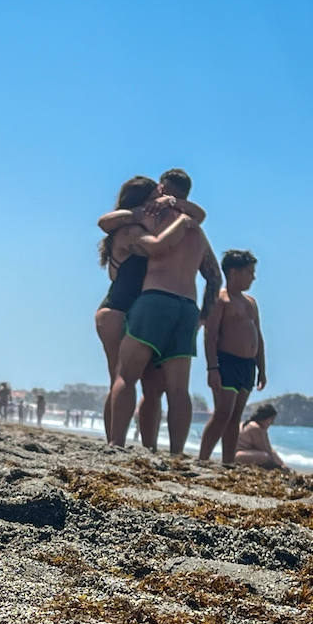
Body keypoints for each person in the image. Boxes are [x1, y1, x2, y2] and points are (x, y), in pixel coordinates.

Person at [108, 168, 222, 455]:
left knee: (127, 376)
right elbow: (214, 276)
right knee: (178, 390)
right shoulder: (196, 228)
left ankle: (116, 444)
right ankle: (176, 454)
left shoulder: (153, 214)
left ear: (162, 189)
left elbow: (109, 224)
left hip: (156, 299)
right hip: (187, 307)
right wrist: (203, 317)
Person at [199, 250, 267, 465]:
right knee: (223, 413)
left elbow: (259, 337)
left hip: (248, 366)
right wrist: (212, 368)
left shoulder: (251, 302)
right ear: (234, 272)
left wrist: (262, 369)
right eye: (249, 272)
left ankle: (228, 462)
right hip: (226, 362)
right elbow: (210, 336)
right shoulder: (221, 299)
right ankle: (203, 458)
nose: (253, 277)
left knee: (236, 416)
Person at [234, 403, 288, 469]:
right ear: (264, 417)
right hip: (238, 456)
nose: (272, 423)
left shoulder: (253, 425)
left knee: (267, 456)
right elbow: (266, 449)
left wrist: (282, 464)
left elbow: (269, 448)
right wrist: (281, 465)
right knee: (266, 457)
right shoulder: (255, 428)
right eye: (271, 419)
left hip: (239, 454)